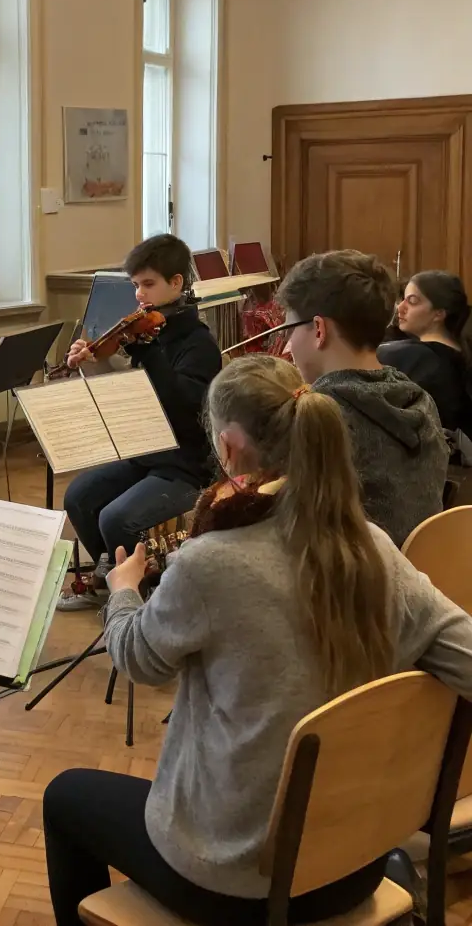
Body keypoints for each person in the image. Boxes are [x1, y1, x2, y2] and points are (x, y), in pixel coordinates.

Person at [44, 355, 472, 926]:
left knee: (65, 796)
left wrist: (123, 591)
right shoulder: (372, 547)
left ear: (228, 448)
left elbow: (139, 659)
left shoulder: (211, 563)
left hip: (240, 878)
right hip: (355, 859)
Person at [58, 234, 222, 608]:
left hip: (186, 466)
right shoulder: (149, 334)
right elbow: (133, 393)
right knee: (80, 497)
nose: (138, 295)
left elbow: (184, 410)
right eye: (135, 285)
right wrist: (94, 358)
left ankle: (146, 600)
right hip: (147, 454)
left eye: (148, 284)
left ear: (177, 282)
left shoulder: (196, 343)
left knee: (117, 518)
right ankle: (110, 579)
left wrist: (148, 353)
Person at [278, 249, 448, 547]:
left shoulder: (318, 415)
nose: (288, 345)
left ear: (319, 329)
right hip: (421, 580)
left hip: (352, 587)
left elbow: (287, 533)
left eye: (289, 330)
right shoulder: (421, 400)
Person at [378, 270, 472, 436]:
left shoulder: (416, 356)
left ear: (439, 313)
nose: (400, 307)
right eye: (403, 299)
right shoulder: (460, 354)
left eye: (412, 301)